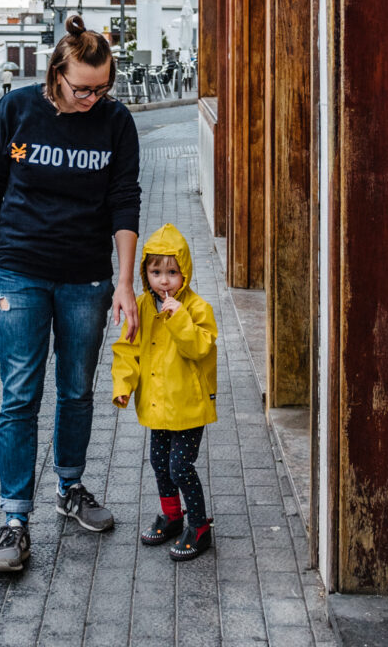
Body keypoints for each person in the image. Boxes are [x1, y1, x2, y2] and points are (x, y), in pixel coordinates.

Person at [0, 15, 141, 573]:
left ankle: (70, 488)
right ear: (56, 75)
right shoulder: (16, 111)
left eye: (103, 87)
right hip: (19, 270)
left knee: (75, 389)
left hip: (86, 277)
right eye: (83, 88)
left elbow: (124, 200)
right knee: (20, 392)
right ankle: (14, 519)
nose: (94, 97)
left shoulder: (115, 123)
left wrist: (124, 281)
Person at [112, 223, 218, 561]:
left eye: (172, 272)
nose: (164, 280)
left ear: (184, 272)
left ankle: (199, 526)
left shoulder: (197, 308)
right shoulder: (143, 307)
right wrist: (123, 385)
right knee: (159, 462)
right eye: (156, 271)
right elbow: (128, 349)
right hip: (158, 405)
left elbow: (201, 348)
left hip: (187, 406)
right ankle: (173, 516)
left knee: (180, 467)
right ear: (145, 273)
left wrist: (180, 318)